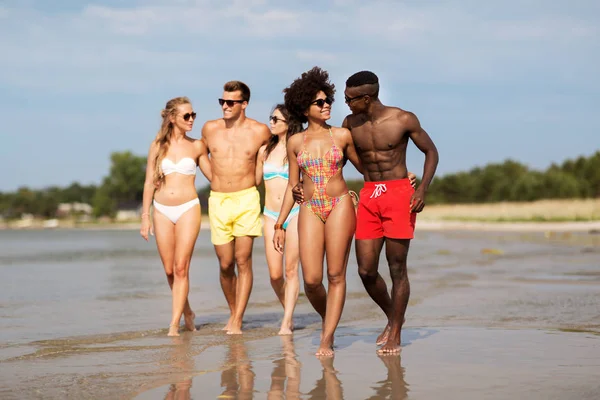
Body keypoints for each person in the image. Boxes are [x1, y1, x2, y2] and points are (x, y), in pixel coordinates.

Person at [295, 71, 439, 354]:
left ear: (366, 97)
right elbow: (337, 162)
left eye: (350, 99)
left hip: (399, 194)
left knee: (397, 267)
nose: (345, 104)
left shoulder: (402, 119)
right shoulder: (351, 124)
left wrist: (421, 189)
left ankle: (395, 332)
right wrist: (303, 186)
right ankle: (393, 316)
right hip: (370, 195)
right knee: (366, 270)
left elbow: (431, 152)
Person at [273, 67, 363, 357]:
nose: (326, 106)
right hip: (309, 207)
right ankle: (330, 319)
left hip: (339, 204)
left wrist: (401, 175)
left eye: (328, 101)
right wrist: (279, 224)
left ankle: (327, 337)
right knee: (312, 280)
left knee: (336, 274)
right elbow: (292, 185)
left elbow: (369, 168)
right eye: (319, 102)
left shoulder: (343, 135)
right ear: (304, 108)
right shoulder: (295, 142)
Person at [200, 81, 271, 335]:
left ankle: (238, 319)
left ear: (244, 104)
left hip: (247, 199)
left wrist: (260, 173)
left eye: (231, 102)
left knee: (243, 260)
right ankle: (233, 311)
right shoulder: (209, 128)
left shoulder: (260, 130)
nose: (225, 106)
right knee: (225, 263)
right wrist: (212, 177)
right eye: (222, 102)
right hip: (218, 200)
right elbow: (199, 153)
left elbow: (276, 154)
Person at [140, 97, 211, 337]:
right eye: (186, 116)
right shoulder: (157, 146)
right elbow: (149, 182)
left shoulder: (198, 146)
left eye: (194, 115)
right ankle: (187, 312)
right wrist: (145, 216)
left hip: (188, 208)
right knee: (170, 271)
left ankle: (174, 325)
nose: (192, 119)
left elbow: (215, 176)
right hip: (161, 210)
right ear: (172, 118)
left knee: (181, 268)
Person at [255, 104, 303, 335]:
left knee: (291, 270)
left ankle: (286, 321)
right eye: (271, 118)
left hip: (295, 213)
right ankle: (289, 311)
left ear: (288, 123)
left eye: (276, 119)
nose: (271, 122)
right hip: (269, 214)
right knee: (275, 275)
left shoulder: (298, 149)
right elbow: (253, 180)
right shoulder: (263, 151)